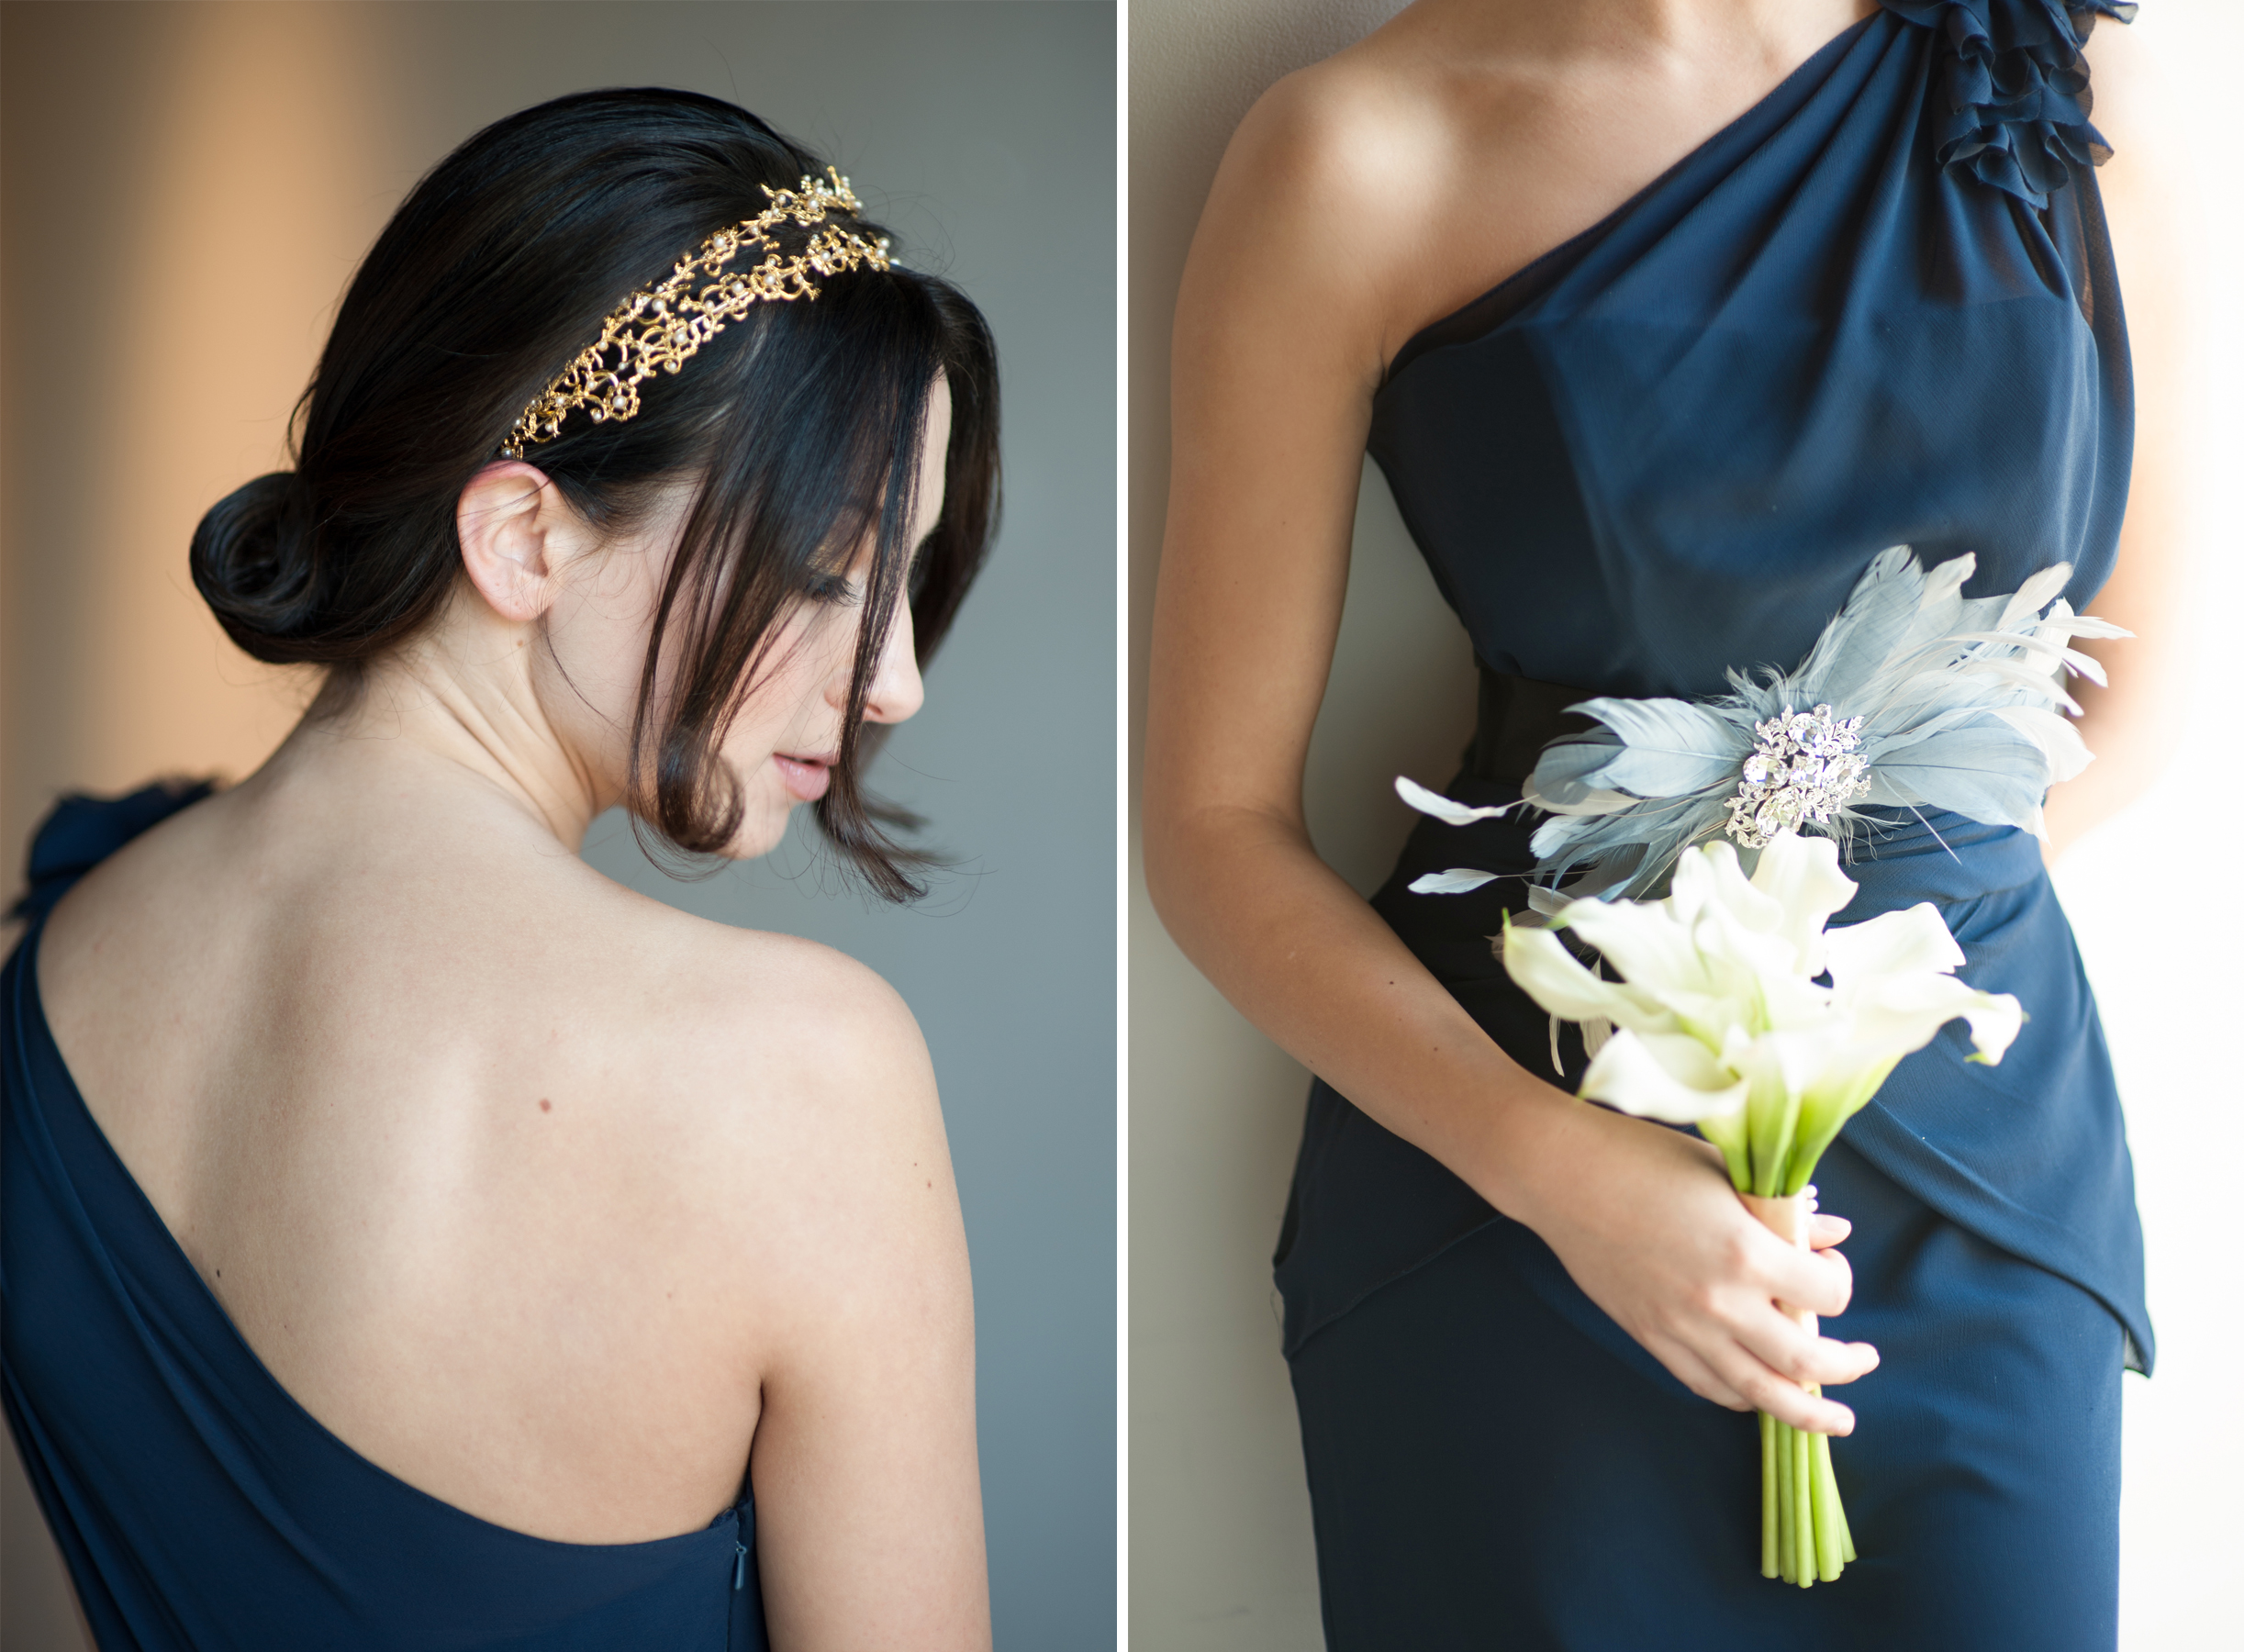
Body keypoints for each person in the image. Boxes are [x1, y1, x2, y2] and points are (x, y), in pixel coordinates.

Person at [1144, 0, 2186, 1646]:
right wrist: (1557, 1173)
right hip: (1516, 1166)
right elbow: (1209, 826)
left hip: (1971, 1146)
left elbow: (2140, 700)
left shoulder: (2068, 73)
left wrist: (1819, 1006)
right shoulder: (1351, 149)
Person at [4, 87, 999, 1651]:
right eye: (828, 572)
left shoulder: (61, 952)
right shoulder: (798, 1073)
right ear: (525, 538)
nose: (894, 687)